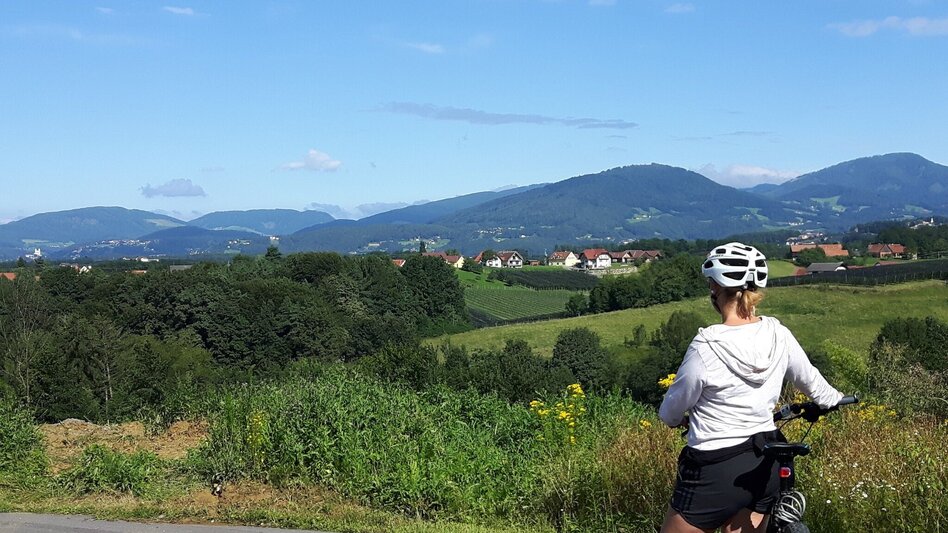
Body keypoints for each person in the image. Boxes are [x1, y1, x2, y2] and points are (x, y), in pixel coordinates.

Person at [658, 242, 843, 533]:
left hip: (714, 468)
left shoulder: (705, 346)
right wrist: (834, 399)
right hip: (767, 458)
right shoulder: (778, 334)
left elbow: (671, 411)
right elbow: (817, 388)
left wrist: (677, 418)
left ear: (715, 289)